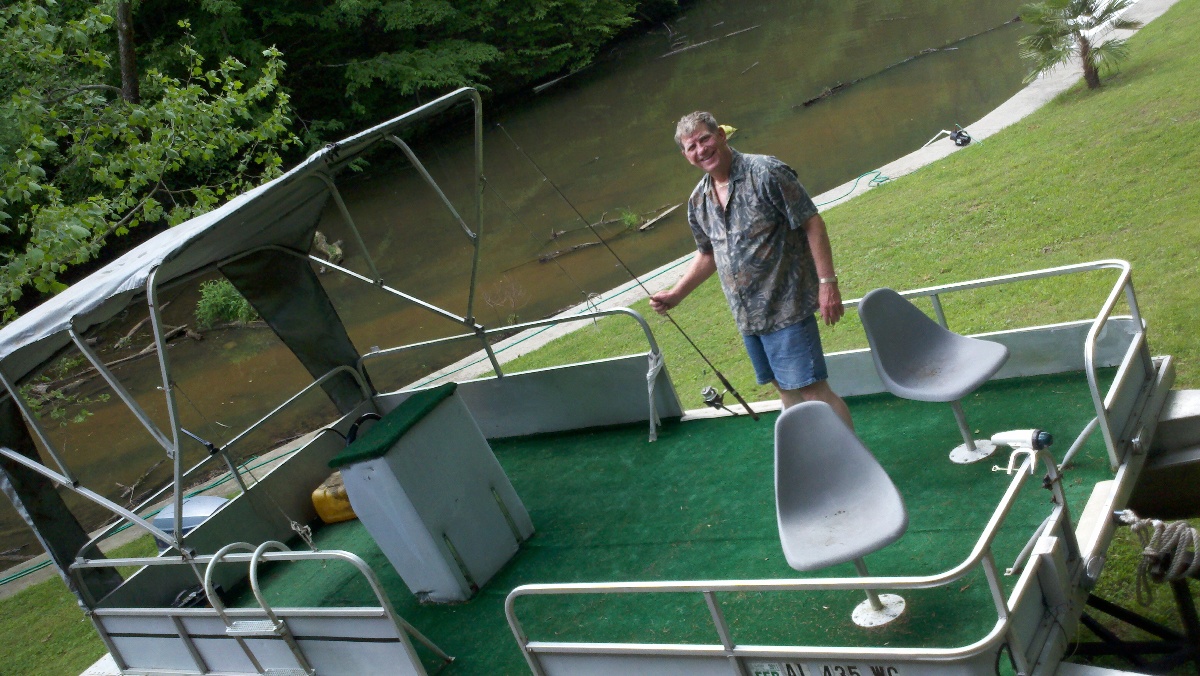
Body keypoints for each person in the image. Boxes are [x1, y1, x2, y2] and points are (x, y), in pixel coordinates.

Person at [649, 111, 854, 429]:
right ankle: (809, 453)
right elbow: (708, 254)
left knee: (814, 392)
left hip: (788, 309)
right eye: (692, 147)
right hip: (748, 319)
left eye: (705, 139)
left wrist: (828, 283)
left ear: (720, 135)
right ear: (686, 156)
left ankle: (850, 455)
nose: (701, 149)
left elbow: (812, 223)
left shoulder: (767, 172)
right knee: (785, 392)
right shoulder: (698, 200)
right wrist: (676, 294)